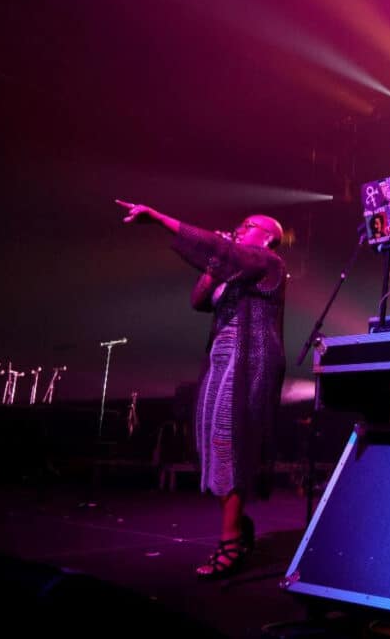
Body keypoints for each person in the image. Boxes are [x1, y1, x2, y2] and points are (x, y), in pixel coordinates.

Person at [115, 199, 286, 580]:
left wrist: (161, 217)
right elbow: (198, 299)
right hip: (223, 356)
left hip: (251, 359)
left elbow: (219, 248)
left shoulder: (268, 263)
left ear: (269, 238)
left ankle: (230, 541)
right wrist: (213, 266)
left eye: (249, 224)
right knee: (213, 437)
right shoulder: (234, 267)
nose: (240, 227)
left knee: (231, 438)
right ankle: (238, 528)